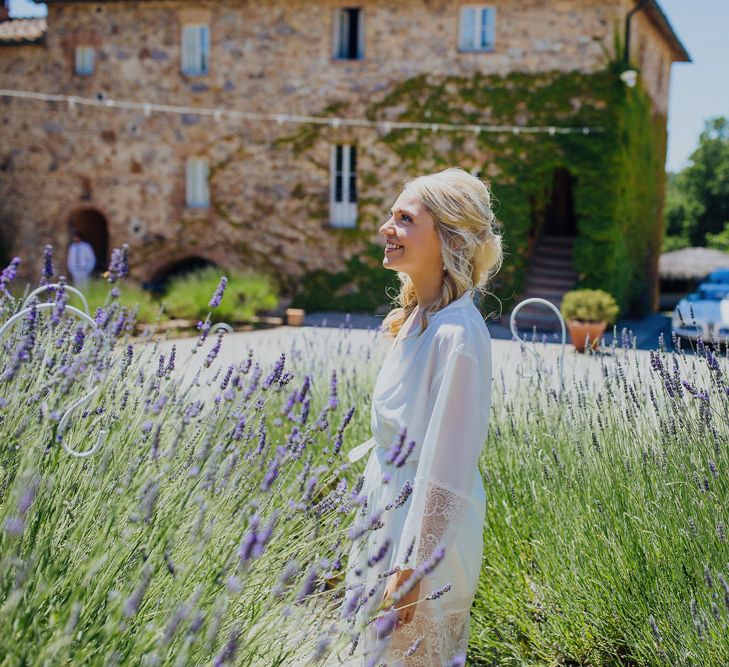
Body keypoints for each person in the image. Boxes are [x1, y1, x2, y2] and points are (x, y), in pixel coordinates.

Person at [341, 167, 503, 665]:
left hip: (424, 537)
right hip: (386, 516)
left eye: (404, 218)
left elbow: (448, 469)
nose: (386, 229)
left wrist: (413, 568)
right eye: (391, 216)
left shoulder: (458, 335)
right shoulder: (417, 316)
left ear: (448, 236)